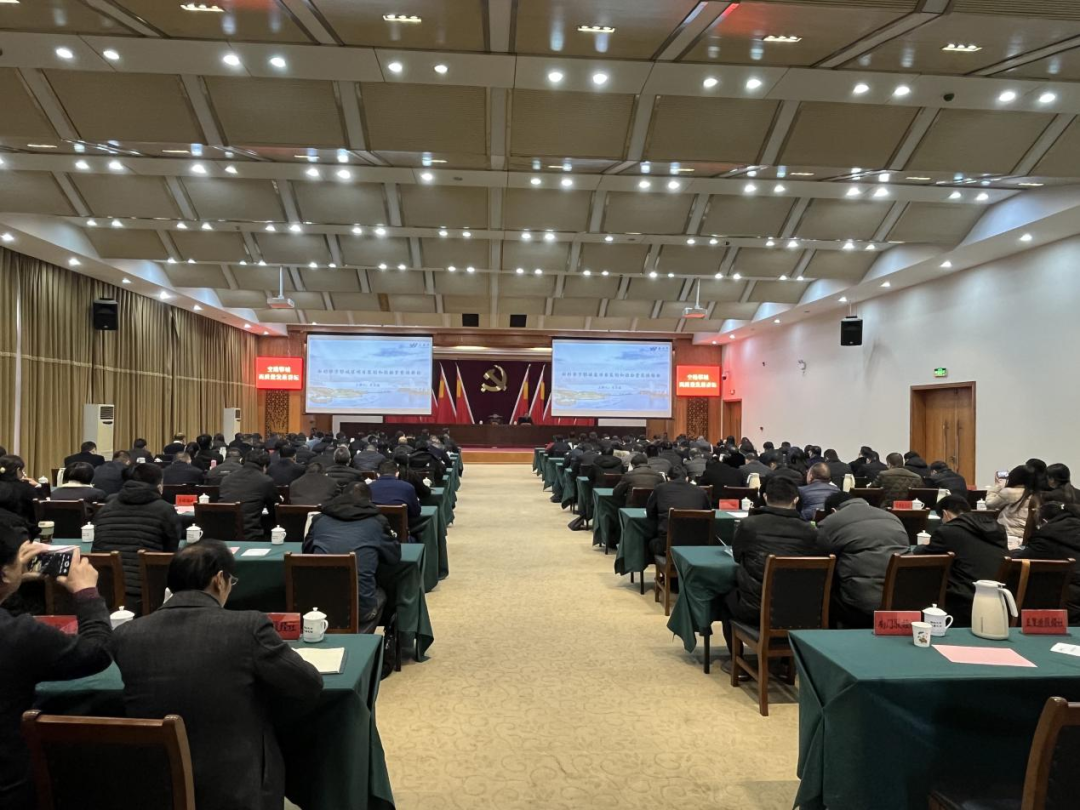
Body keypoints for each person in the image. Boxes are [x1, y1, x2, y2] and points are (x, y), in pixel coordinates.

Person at [111, 541, 322, 810]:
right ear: (219, 580)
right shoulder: (248, 626)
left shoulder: (126, 635)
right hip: (236, 789)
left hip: (156, 787)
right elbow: (309, 683)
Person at [0, 533, 113, 810]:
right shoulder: (18, 634)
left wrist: (10, 581)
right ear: (4, 573)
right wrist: (86, 591)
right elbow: (97, 652)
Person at [717, 477, 818, 672]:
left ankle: (736, 660)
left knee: (725, 599)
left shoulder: (749, 525)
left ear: (764, 497)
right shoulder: (810, 531)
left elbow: (737, 556)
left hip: (755, 608)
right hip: (800, 611)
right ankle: (784, 661)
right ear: (796, 500)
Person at [305, 482, 403, 633]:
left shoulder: (319, 520)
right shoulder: (377, 522)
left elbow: (306, 552)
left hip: (317, 608)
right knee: (386, 593)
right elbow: (394, 557)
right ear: (369, 501)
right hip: (360, 609)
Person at [92, 463, 182, 614]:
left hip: (104, 592)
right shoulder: (165, 509)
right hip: (147, 593)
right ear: (159, 485)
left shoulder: (106, 508)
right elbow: (170, 552)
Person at [816, 491, 910, 627]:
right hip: (902, 600)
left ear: (833, 511)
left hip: (862, 604)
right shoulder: (892, 517)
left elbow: (821, 556)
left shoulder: (831, 521)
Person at [915, 495, 1009, 626]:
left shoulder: (947, 531)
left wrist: (921, 546)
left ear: (945, 514)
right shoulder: (997, 529)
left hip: (962, 602)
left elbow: (925, 556)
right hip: (998, 602)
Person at [1013, 502, 1080, 624]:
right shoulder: (1073, 529)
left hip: (1066, 606)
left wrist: (1017, 550)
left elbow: (1016, 561)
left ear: (1044, 521)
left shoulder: (1046, 537)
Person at [644, 467, 712, 557]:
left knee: (648, 541)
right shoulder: (701, 491)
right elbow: (708, 515)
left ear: (668, 478)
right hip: (697, 544)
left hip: (668, 544)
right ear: (687, 479)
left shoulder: (660, 489)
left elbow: (650, 513)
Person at [219, 450, 278, 541]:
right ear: (264, 466)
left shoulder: (226, 478)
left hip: (223, 532)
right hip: (251, 535)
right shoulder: (265, 481)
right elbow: (275, 510)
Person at [986, 465, 1038, 541]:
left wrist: (998, 486)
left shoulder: (1009, 492)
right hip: (1027, 535)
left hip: (1009, 534)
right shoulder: (1036, 495)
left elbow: (990, 504)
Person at [368, 461, 422, 527]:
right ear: (397, 474)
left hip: (374, 529)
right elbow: (416, 512)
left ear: (378, 475)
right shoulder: (408, 487)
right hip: (401, 530)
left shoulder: (368, 487)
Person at [0, 455, 39, 526]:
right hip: (20, 528)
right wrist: (38, 486)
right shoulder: (26, 488)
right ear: (18, 470)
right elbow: (37, 510)